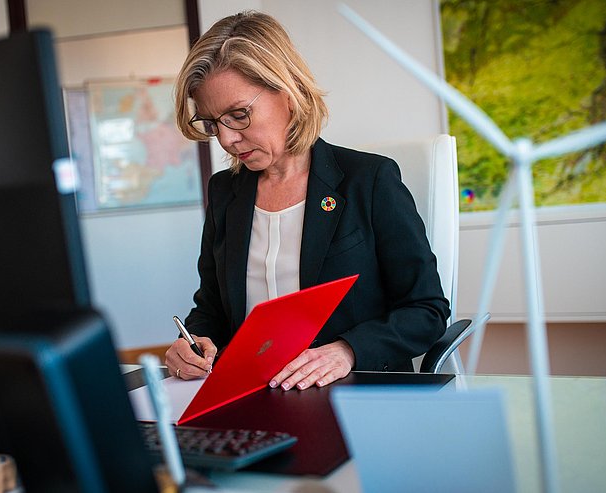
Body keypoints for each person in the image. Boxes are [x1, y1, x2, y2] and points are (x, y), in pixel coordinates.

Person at [165, 10, 449, 391]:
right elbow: (212, 308)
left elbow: (426, 311)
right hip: (251, 394)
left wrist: (347, 351)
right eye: (213, 123)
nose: (227, 140)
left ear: (289, 93)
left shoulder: (369, 180)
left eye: (238, 115)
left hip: (354, 392)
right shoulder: (224, 193)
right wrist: (192, 343)